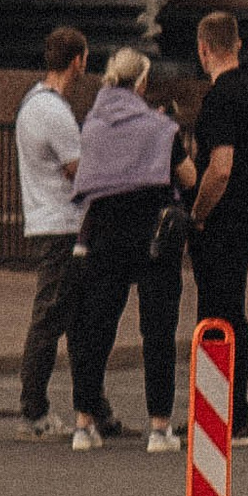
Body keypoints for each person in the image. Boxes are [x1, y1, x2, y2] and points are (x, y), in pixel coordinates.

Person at [66, 49, 186, 452]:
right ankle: (159, 427)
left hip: (104, 233)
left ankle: (83, 424)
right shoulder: (159, 127)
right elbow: (187, 175)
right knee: (157, 331)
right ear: (141, 84)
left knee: (96, 327)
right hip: (152, 232)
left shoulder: (93, 127)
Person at [183, 13, 248, 437]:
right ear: (237, 44)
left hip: (220, 221)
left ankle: (221, 416)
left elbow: (219, 167)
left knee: (215, 317)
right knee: (235, 313)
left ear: (204, 49)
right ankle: (233, 414)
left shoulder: (220, 97)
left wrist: (199, 214)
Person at [12, 26, 90, 437]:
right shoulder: (55, 112)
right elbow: (80, 170)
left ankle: (91, 406)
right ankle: (34, 410)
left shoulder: (31, 102)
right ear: (77, 60)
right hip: (61, 224)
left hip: (45, 220)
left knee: (74, 318)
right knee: (51, 317)